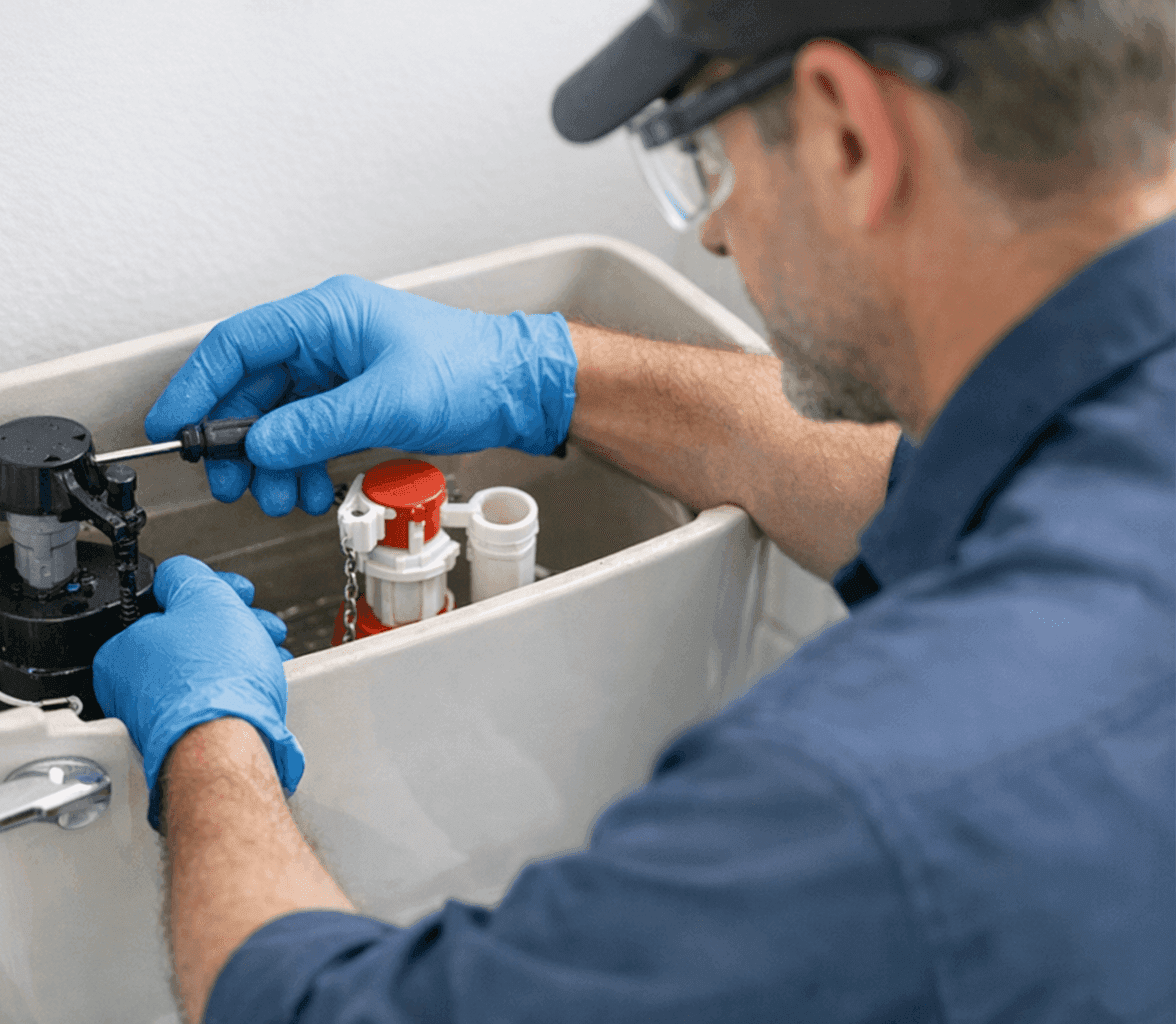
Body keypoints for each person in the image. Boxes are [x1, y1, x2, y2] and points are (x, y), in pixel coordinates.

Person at [92, 0, 1176, 1020]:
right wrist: (544, 370)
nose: (712, 237)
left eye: (707, 157)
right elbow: (915, 487)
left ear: (847, 132)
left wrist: (209, 733)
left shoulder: (861, 794)